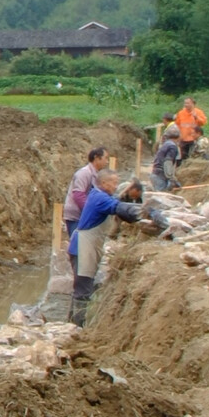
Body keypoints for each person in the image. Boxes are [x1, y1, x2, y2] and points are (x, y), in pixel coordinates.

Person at [65, 171, 145, 325]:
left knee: (81, 287)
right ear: (104, 183)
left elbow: (116, 203)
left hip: (84, 246)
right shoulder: (100, 198)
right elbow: (118, 207)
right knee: (83, 291)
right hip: (83, 248)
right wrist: (143, 212)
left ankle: (70, 324)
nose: (116, 186)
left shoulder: (97, 195)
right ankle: (76, 327)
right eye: (113, 182)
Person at [62, 148, 109, 241]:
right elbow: (78, 195)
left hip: (82, 214)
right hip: (76, 216)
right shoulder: (84, 173)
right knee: (78, 245)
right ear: (96, 158)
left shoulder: (94, 174)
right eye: (106, 158)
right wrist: (89, 211)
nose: (107, 162)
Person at [151, 125, 183, 192]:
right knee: (160, 198)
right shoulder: (173, 146)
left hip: (155, 174)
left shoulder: (166, 144)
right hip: (160, 176)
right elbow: (168, 162)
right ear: (179, 137)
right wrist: (171, 178)